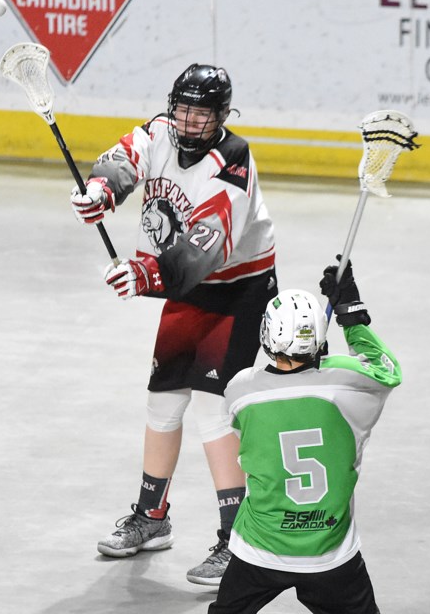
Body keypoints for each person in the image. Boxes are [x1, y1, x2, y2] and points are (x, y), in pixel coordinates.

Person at [69, 63, 277, 585]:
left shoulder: (233, 160)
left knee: (211, 409)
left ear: (221, 117)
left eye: (201, 113)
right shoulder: (158, 132)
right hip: (186, 289)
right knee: (162, 399)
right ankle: (151, 517)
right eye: (182, 109)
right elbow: (122, 160)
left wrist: (146, 272)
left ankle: (237, 539)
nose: (187, 122)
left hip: (237, 290)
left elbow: (207, 246)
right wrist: (101, 191)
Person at [207, 259, 402, 614]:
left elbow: (253, 408)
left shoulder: (241, 391)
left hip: (259, 549)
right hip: (328, 555)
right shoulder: (349, 384)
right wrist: (351, 311)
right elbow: (386, 369)